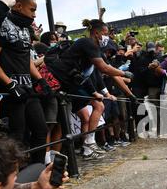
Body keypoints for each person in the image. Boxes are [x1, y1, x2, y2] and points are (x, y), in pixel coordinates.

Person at [44, 19, 135, 159]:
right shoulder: (87, 43)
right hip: (57, 82)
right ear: (97, 33)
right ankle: (52, 158)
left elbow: (86, 76)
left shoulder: (94, 48)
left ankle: (57, 157)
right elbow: (103, 68)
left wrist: (95, 92)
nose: (107, 37)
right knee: (53, 124)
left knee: (62, 124)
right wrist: (123, 73)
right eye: (105, 33)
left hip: (69, 84)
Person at [0, 0, 49, 165]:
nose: (34, 15)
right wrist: (10, 84)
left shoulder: (26, 30)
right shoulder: (1, 25)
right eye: (32, 9)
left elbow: (25, 58)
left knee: (41, 130)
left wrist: (41, 80)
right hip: (9, 92)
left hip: (27, 89)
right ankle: (12, 184)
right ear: (18, 6)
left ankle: (36, 174)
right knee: (16, 137)